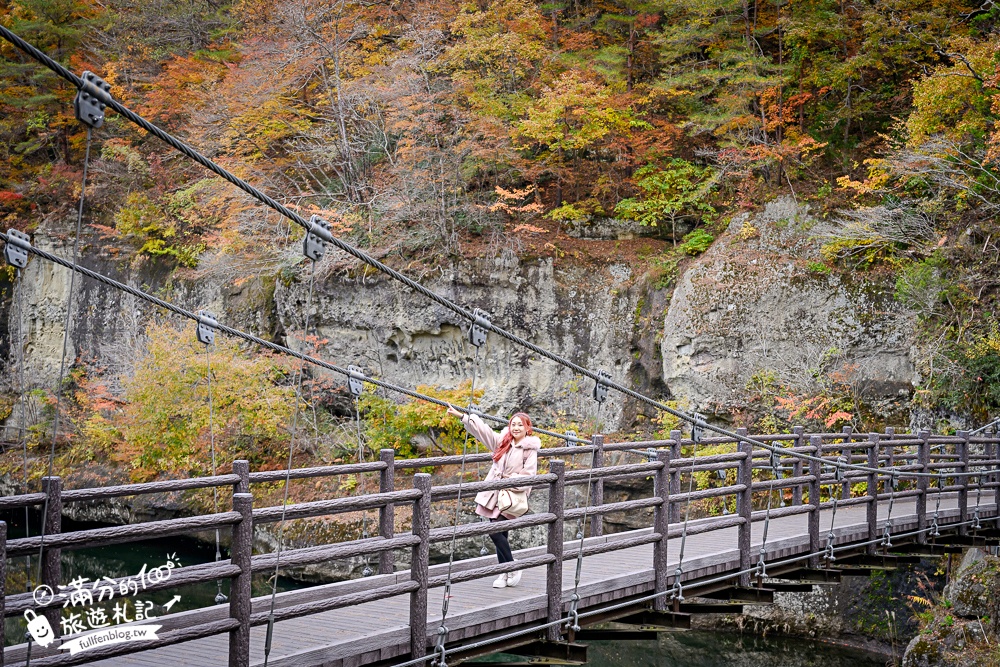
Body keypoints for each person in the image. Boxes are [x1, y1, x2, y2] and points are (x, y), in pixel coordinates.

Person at [446, 406, 540, 588]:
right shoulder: (503, 441)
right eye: (513, 424)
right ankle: (504, 573)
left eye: (520, 425)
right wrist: (463, 416)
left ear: (528, 428)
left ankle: (512, 567)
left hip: (511, 495)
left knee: (495, 531)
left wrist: (508, 480)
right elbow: (484, 431)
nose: (516, 428)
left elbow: (529, 476)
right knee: (500, 533)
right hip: (494, 494)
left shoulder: (530, 449)